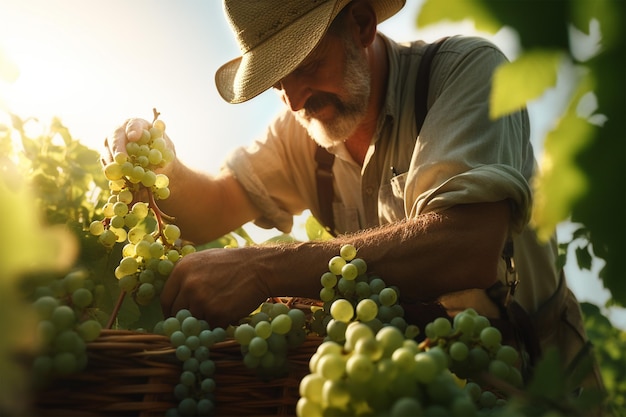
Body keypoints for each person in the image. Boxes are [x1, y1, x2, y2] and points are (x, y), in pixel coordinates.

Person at [103, 0, 602, 394]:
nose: (295, 100)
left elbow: (465, 245)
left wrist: (264, 269)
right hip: (413, 383)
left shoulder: (465, 74)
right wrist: (163, 164)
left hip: (545, 380)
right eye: (278, 82)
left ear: (362, 24)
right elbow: (210, 207)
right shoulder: (300, 131)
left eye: (306, 64)